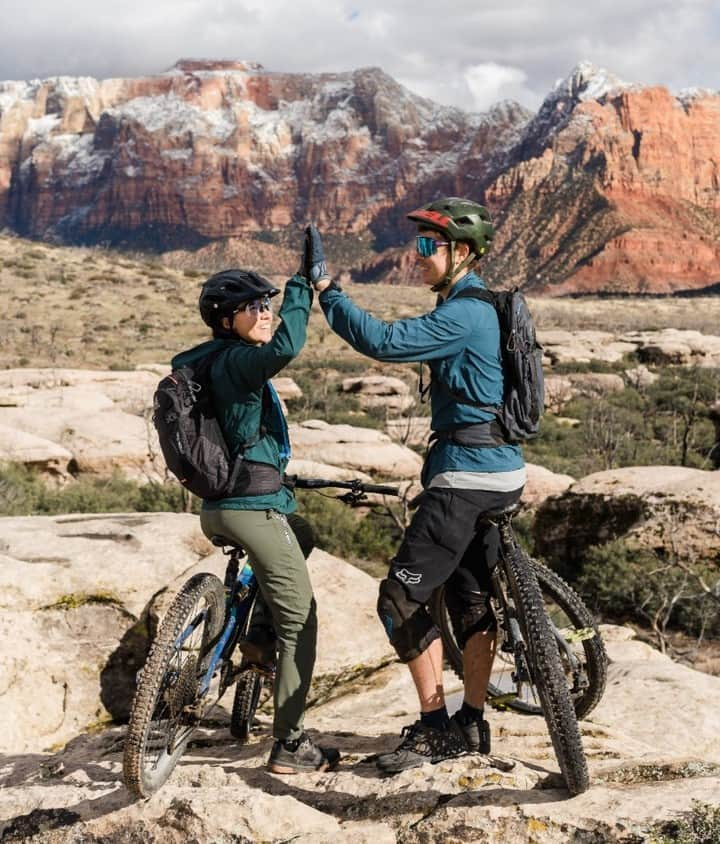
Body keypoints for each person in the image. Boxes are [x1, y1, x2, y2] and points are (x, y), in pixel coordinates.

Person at [307, 199, 526, 773]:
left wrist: (328, 290)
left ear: (462, 253)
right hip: (504, 474)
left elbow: (383, 342)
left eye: (430, 246)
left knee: (399, 600)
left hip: (465, 478)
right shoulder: (482, 307)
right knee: (469, 596)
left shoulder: (465, 313)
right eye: (420, 244)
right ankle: (472, 724)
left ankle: (435, 728)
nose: (419, 255)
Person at [171, 252, 340, 774]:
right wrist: (298, 288)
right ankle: (290, 745)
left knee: (302, 531)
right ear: (227, 320)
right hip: (251, 509)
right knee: (303, 620)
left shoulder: (206, 360)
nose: (264, 312)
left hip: (223, 507)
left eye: (267, 303)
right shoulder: (240, 362)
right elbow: (288, 344)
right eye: (252, 307)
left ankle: (257, 638)